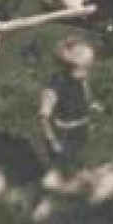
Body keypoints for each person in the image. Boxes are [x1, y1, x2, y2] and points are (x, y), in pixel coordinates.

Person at [39, 37, 96, 177]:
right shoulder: (55, 87)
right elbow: (44, 117)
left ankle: (74, 176)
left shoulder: (81, 82)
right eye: (82, 69)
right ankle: (54, 183)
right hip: (62, 132)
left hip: (80, 128)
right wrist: (52, 140)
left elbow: (86, 98)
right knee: (60, 163)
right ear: (67, 66)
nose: (86, 74)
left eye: (88, 69)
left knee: (76, 158)